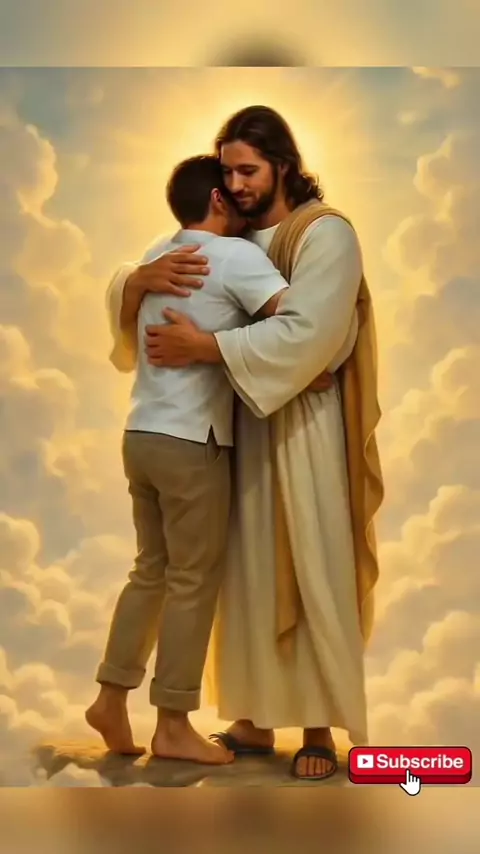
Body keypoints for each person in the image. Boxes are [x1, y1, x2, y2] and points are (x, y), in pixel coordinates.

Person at [105, 106, 384, 781]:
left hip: (302, 431)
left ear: (283, 165)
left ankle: (317, 728)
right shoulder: (232, 237)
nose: (235, 184)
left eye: (249, 170)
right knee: (242, 576)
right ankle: (254, 716)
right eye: (227, 172)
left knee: (311, 566)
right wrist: (137, 281)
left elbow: (313, 335)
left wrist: (207, 346)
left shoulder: (324, 233)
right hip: (230, 427)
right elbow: (143, 279)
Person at [85, 153, 331, 765]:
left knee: (151, 570)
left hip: (141, 433)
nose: (243, 197)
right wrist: (314, 366)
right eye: (233, 188)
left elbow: (123, 304)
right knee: (193, 582)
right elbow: (295, 325)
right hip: (192, 441)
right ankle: (172, 722)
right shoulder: (236, 257)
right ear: (218, 200)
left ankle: (111, 696)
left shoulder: (157, 253)